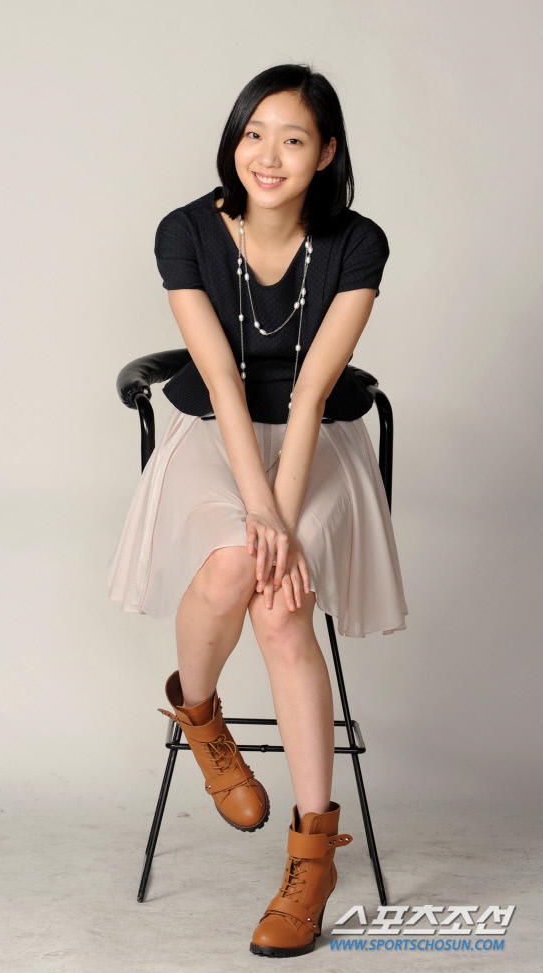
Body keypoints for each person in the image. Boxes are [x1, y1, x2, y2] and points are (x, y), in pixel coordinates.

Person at [107, 62, 408, 958]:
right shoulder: (186, 232)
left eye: (293, 139)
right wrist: (260, 514)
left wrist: (283, 510)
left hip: (321, 441)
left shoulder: (358, 243)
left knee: (278, 598)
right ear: (234, 140)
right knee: (241, 556)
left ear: (327, 153)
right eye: (253, 133)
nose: (268, 156)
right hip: (217, 431)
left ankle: (312, 857)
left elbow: (311, 392)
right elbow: (221, 382)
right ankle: (201, 715)